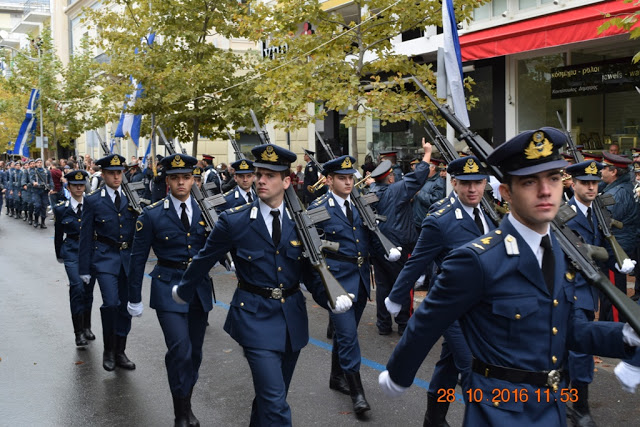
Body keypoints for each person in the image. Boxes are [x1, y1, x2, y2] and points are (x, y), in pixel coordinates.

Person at [379, 127, 640, 426]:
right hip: (499, 409)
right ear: (506, 192)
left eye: (554, 178)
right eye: (530, 182)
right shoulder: (476, 259)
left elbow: (564, 329)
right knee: (455, 365)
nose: (545, 191)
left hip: (550, 406)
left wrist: (623, 338)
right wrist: (400, 374)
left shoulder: (558, 250)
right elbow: (427, 320)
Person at [173, 143, 352, 426]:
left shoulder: (301, 222)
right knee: (276, 404)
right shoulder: (235, 221)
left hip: (291, 319)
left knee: (271, 397)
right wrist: (183, 290)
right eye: (259, 174)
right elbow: (205, 259)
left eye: (270, 175)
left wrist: (330, 297)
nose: (261, 180)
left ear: (287, 180)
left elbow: (309, 272)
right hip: (254, 318)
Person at [386, 156, 495, 426]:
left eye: (478, 183)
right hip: (452, 308)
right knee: (471, 368)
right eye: (466, 183)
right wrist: (396, 298)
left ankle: (433, 418)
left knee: (448, 365)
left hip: (482, 308)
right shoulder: (440, 219)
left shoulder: (489, 211)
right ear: (454, 183)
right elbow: (417, 262)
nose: (473, 190)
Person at [310, 155, 400, 418]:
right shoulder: (319, 208)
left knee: (344, 333)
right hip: (336, 282)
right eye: (342, 178)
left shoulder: (359, 203)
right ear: (329, 180)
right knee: (348, 336)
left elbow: (370, 237)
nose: (348, 182)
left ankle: (336, 376)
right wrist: (320, 286)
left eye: (351, 177)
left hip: (360, 279)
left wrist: (387, 250)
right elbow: (311, 250)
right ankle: (358, 392)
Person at [127, 154, 212, 426]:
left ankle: (186, 402)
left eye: (186, 177)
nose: (181, 182)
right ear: (167, 182)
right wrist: (134, 297)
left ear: (193, 180)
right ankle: (181, 413)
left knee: (194, 354)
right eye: (175, 178)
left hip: (198, 289)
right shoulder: (152, 215)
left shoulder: (206, 212)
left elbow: (221, 246)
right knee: (181, 350)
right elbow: (137, 258)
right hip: (167, 286)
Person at [79, 154, 137, 372]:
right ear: (102, 174)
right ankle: (108, 350)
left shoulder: (132, 198)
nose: (116, 176)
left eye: (119, 172)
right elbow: (86, 235)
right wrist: (84, 268)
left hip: (127, 259)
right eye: (111, 172)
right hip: (104, 258)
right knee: (111, 303)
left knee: (125, 307)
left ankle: (120, 351)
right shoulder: (93, 200)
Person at [369, 139, 432, 336]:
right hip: (399, 245)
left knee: (382, 286)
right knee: (403, 283)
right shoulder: (395, 190)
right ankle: (404, 323)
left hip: (378, 246)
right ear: (388, 178)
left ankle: (383, 324)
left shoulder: (370, 192)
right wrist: (427, 153)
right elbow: (419, 176)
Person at [564, 160, 606, 426]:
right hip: (570, 290)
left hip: (590, 291)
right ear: (573, 184)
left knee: (572, 348)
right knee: (581, 349)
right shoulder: (563, 214)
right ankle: (581, 408)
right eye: (585, 183)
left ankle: (564, 398)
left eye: (595, 183)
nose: (591, 187)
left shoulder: (598, 211)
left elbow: (607, 247)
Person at [54, 170, 96, 347]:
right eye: (75, 185)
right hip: (71, 251)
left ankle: (86, 326)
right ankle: (78, 332)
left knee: (88, 291)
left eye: (81, 184)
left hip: (90, 252)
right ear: (68, 187)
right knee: (77, 288)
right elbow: (58, 234)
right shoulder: (61, 208)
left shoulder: (92, 205)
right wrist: (59, 254)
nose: (79, 188)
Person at [600, 151, 639, 322]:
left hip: (615, 249)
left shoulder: (617, 193)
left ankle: (616, 329)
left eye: (604, 168)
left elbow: (603, 220)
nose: (601, 171)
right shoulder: (622, 188)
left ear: (614, 171)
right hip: (621, 245)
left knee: (614, 295)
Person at [30, 158, 52, 229]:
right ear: (36, 164)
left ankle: (43, 222)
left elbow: (50, 180)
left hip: (44, 191)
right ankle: (36, 220)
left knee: (44, 207)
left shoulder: (46, 171)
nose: (39, 164)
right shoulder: (33, 171)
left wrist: (51, 188)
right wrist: (34, 182)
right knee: (37, 206)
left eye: (40, 162)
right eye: (38, 162)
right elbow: (31, 179)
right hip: (36, 191)